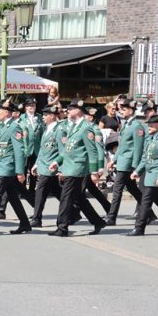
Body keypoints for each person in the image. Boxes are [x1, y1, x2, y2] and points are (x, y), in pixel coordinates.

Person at [48, 99, 106, 236]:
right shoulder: (74, 127)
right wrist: (57, 162)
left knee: (66, 198)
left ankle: (62, 227)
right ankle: (97, 221)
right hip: (69, 166)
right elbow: (68, 149)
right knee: (78, 198)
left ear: (78, 110)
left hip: (77, 169)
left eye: (71, 108)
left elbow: (92, 151)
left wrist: (93, 172)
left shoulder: (86, 128)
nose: (68, 110)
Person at [0, 98, 32, 236]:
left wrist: (20, 172)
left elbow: (19, 151)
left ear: (7, 113)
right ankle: (25, 223)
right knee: (13, 198)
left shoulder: (14, 127)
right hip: (0, 166)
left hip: (7, 168)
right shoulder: (3, 126)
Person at [105, 100, 146, 225]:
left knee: (117, 189)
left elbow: (138, 148)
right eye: (120, 109)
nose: (121, 111)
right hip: (122, 160)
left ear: (131, 110)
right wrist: (114, 160)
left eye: (123, 109)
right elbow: (122, 145)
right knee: (133, 189)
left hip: (128, 163)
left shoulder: (137, 126)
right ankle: (148, 213)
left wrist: (136, 168)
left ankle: (111, 217)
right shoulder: (126, 125)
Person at [29, 105, 63, 228]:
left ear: (52, 116)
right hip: (43, 165)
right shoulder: (46, 129)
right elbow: (43, 149)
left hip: (50, 167)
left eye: (45, 115)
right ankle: (74, 211)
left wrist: (60, 167)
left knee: (40, 192)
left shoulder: (59, 130)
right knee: (58, 192)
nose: (43, 117)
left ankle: (37, 218)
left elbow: (63, 151)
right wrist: (36, 163)